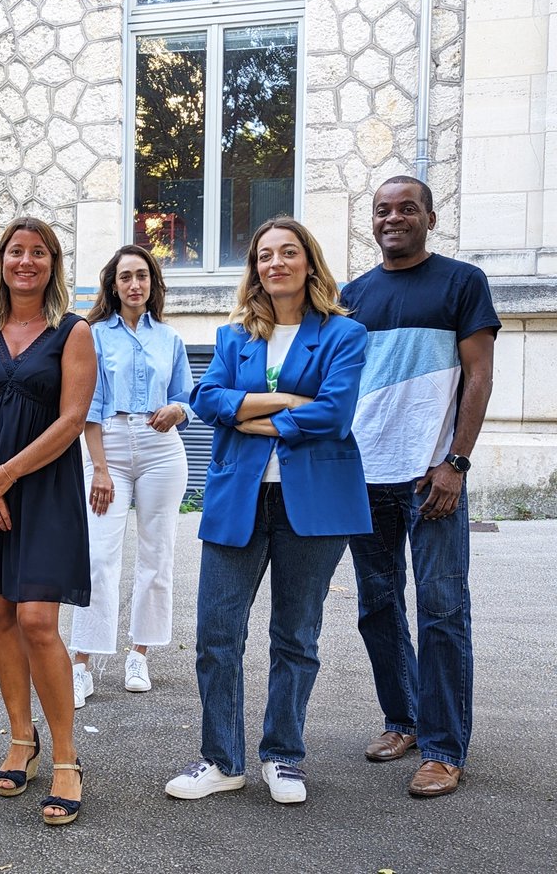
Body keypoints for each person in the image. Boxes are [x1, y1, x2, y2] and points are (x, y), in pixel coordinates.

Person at [164, 217, 370, 805]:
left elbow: (333, 414)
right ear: (255, 268)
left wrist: (249, 416)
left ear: (310, 262)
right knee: (216, 634)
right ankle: (222, 759)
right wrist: (284, 399)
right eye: (263, 255)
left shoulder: (343, 334)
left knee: (295, 636)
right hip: (240, 498)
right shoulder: (235, 337)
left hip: (314, 503)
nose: (274, 263)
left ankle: (283, 756)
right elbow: (207, 399)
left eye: (287, 252)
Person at [341, 176, 499, 798]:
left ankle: (443, 746)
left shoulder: (462, 282)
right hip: (364, 477)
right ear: (372, 221)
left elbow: (479, 379)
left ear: (430, 217)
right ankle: (402, 719)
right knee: (377, 608)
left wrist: (455, 464)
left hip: (430, 477)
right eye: (383, 210)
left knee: (442, 611)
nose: (394, 218)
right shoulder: (352, 295)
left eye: (408, 208)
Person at [0, 216, 97, 826]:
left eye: (39, 253)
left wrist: (5, 476)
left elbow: (71, 420)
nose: (26, 261)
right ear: (2, 262)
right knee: (1, 612)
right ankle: (20, 738)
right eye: (16, 251)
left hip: (44, 488)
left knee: (38, 619)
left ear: (52, 263)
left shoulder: (73, 331)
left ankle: (67, 756)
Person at [69, 245, 193, 707]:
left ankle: (139, 652)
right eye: (125, 277)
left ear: (152, 283)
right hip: (111, 446)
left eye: (142, 276)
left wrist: (179, 409)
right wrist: (99, 467)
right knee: (98, 558)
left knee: (156, 555)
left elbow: (187, 394)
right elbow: (89, 405)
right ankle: (82, 662)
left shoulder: (170, 339)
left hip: (162, 449)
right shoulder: (95, 335)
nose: (134, 284)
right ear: (113, 285)